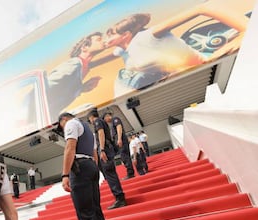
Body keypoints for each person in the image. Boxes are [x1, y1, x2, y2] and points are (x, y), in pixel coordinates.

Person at [104, 0, 249, 95]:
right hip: (192, 82)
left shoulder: (149, 35)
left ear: (125, 35)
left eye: (110, 35)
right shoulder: (126, 52)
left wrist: (246, 30)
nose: (106, 39)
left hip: (211, 69)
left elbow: (203, 7)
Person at [57, 112, 113, 220]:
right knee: (95, 211)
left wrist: (65, 175)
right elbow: (94, 153)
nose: (63, 128)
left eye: (61, 125)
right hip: (90, 166)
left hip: (80, 167)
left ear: (63, 120)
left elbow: (70, 148)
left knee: (86, 214)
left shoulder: (71, 124)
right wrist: (93, 170)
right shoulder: (87, 128)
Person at [46, 31, 105, 119]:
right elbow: (48, 86)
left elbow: (63, 88)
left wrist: (82, 88)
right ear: (85, 47)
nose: (103, 41)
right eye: (99, 40)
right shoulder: (74, 64)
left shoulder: (83, 66)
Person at [87, 108, 126, 210]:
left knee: (110, 174)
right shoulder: (102, 121)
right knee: (109, 174)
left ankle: (120, 198)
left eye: (89, 119)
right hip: (107, 149)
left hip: (105, 149)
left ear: (91, 117)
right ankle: (119, 197)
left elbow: (101, 134)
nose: (90, 121)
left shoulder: (97, 121)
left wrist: (102, 149)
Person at [102, 111, 135, 180]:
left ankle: (130, 173)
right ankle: (130, 172)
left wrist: (119, 139)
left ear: (107, 116)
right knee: (124, 156)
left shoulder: (115, 119)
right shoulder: (112, 123)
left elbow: (119, 128)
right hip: (119, 141)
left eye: (105, 119)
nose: (105, 121)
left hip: (121, 140)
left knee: (124, 156)